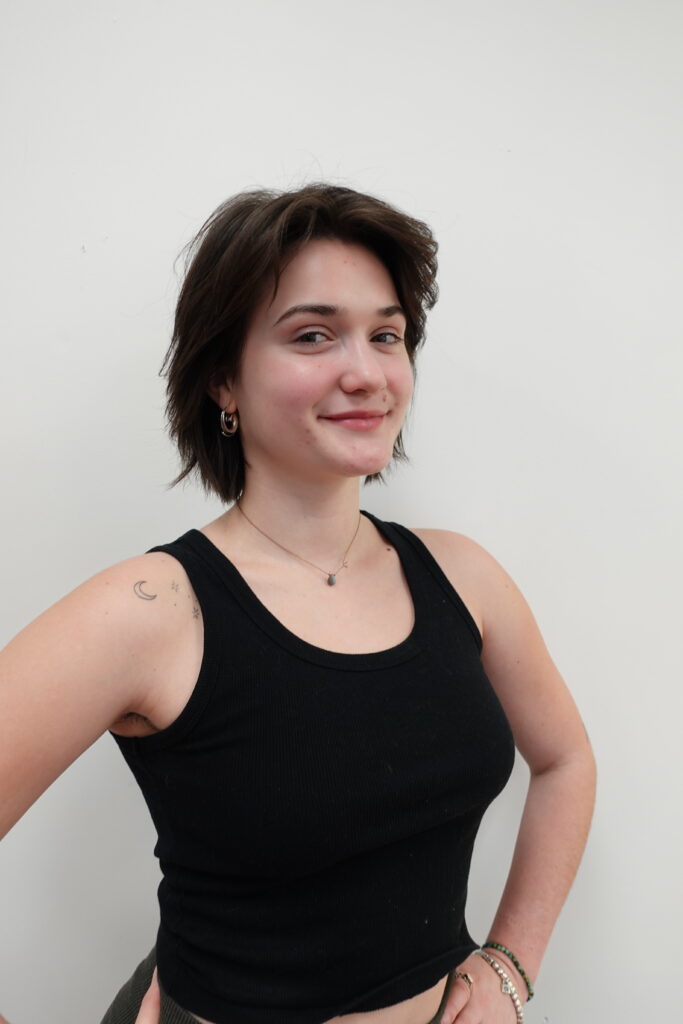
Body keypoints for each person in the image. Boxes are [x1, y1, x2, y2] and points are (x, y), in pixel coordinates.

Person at [1, 184, 596, 1024]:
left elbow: (565, 762)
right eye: (313, 335)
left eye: (385, 334)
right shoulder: (153, 610)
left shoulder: (463, 578)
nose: (365, 371)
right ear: (223, 382)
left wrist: (508, 964)